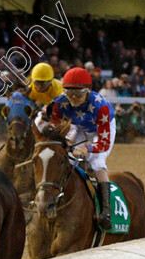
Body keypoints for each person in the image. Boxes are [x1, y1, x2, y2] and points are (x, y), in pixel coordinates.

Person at [38, 67, 116, 229]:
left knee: (96, 162)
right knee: (68, 159)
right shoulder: (59, 102)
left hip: (102, 129)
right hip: (79, 127)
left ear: (88, 91)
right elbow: (56, 126)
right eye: (69, 93)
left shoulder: (100, 106)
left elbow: (103, 143)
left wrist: (87, 148)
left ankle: (106, 212)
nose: (73, 98)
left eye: (78, 94)